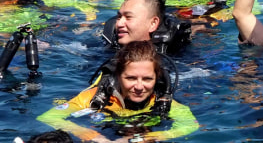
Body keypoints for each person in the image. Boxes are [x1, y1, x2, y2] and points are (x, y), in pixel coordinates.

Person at [37, 41, 199, 142]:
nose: (139, 86)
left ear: (157, 78)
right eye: (131, 78)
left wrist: (145, 138)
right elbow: (49, 117)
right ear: (118, 76)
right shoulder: (94, 98)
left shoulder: (164, 102)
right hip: (104, 131)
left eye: (147, 79)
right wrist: (93, 136)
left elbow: (190, 126)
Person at [101, 0, 191, 54]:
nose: (119, 24)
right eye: (119, 17)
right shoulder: (107, 45)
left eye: (128, 17)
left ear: (153, 23)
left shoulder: (178, 56)